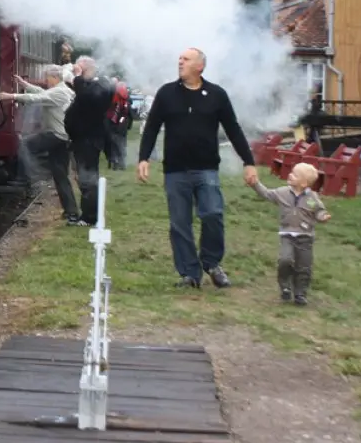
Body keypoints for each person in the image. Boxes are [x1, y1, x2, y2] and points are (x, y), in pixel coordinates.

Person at [136, 47, 258, 289]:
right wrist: (143, 158)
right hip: (175, 170)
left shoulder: (216, 95)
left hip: (207, 169)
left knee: (213, 214)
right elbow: (151, 127)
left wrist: (248, 162)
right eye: (179, 58)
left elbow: (233, 129)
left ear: (199, 66)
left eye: (186, 59)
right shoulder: (166, 93)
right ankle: (189, 274)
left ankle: (212, 263)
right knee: (180, 223)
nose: (179, 62)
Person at [1, 70, 82, 225]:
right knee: (61, 176)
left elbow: (38, 97)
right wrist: (24, 84)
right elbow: (41, 92)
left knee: (25, 144)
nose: (46, 80)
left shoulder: (58, 92)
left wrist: (11, 96)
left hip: (56, 135)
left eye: (48, 78)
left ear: (55, 78)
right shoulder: (62, 90)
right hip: (63, 137)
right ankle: (71, 213)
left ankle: (28, 178)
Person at [251, 161, 330, 306]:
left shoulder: (312, 198)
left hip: (305, 237)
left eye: (295, 174)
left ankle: (300, 293)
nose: (290, 175)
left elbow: (318, 211)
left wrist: (322, 216)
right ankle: (285, 286)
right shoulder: (282, 193)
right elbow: (267, 194)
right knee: (285, 260)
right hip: (287, 235)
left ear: (304, 183)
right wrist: (255, 184)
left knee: (304, 266)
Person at [63, 56, 112, 226]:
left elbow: (84, 96)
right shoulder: (91, 86)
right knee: (84, 178)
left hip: (89, 140)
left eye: (80, 69)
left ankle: (90, 217)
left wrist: (76, 76)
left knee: (88, 179)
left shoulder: (99, 86)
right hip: (82, 139)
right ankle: (90, 213)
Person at [103, 78, 132, 170]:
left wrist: (119, 123)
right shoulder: (125, 99)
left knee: (116, 144)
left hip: (115, 124)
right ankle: (119, 163)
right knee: (120, 144)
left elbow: (121, 114)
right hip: (119, 124)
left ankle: (118, 163)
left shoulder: (117, 99)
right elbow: (126, 114)